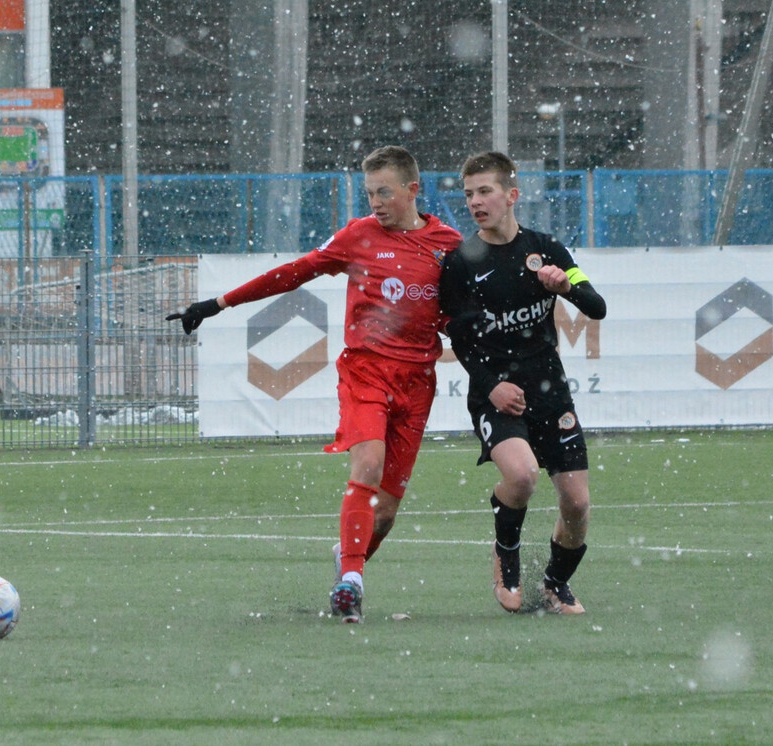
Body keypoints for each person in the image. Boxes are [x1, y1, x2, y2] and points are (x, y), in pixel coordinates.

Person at [167, 146, 462, 623]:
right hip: (366, 371)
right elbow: (293, 272)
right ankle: (351, 583)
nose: (375, 202)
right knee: (367, 464)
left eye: (384, 192)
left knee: (384, 513)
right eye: (369, 193)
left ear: (412, 190)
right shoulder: (359, 236)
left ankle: (349, 557)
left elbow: (459, 314)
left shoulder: (449, 243)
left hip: (417, 382)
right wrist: (217, 303)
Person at [439, 151, 606, 615]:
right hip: (496, 394)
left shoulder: (546, 250)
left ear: (511, 195)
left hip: (550, 390)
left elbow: (597, 306)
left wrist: (565, 287)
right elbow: (463, 340)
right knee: (522, 475)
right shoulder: (461, 264)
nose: (475, 201)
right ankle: (506, 555)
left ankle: (555, 584)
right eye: (468, 193)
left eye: (485, 191)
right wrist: (491, 385)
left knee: (576, 503)